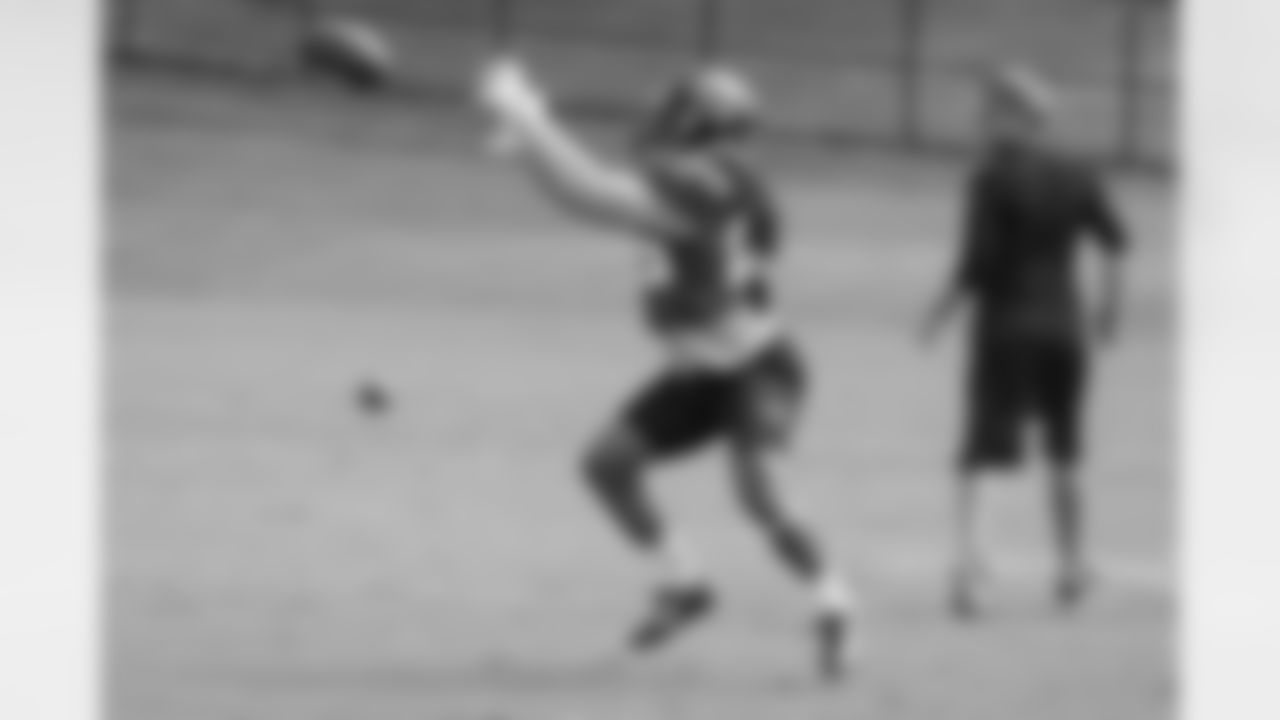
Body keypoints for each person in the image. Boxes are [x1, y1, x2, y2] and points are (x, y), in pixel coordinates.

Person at [477, 57, 857, 678]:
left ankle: (834, 601)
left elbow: (590, 195)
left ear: (705, 124)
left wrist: (528, 117)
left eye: (680, 109)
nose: (663, 116)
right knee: (607, 464)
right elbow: (596, 195)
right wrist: (531, 144)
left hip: (758, 364)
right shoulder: (710, 177)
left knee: (757, 491)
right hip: (701, 369)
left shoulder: (709, 184)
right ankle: (686, 586)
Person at [922, 64, 1130, 618]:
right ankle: (1072, 568)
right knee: (1066, 451)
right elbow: (1115, 241)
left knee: (983, 454)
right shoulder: (1078, 173)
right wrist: (1110, 308)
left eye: (992, 111)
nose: (982, 121)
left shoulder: (990, 179)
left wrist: (939, 315)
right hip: (1065, 331)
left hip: (1006, 330)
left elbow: (976, 264)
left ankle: (975, 577)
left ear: (1016, 118)